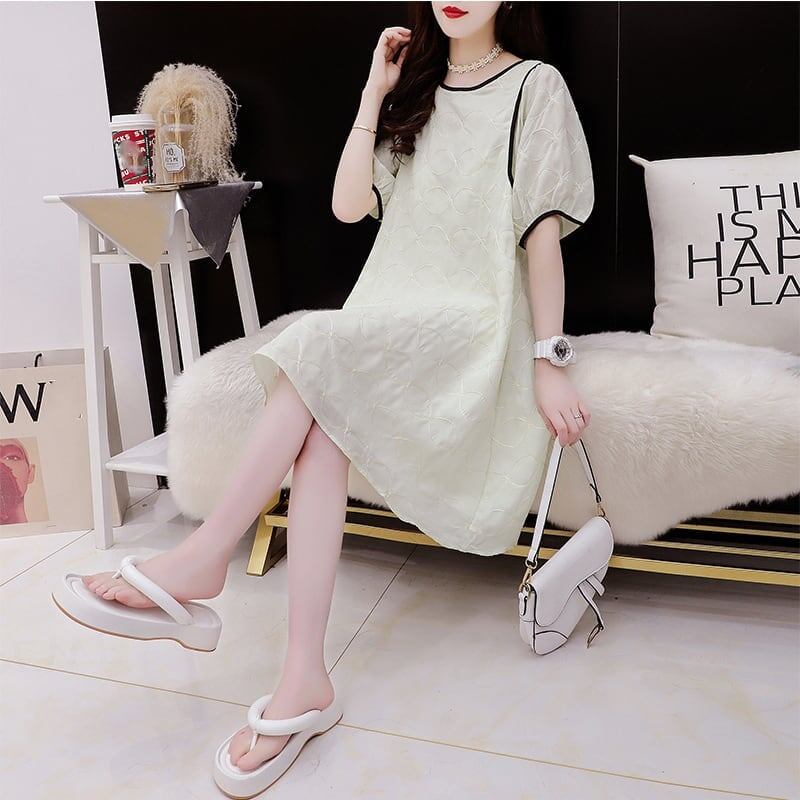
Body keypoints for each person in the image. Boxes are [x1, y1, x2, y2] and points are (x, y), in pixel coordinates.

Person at [76, 0, 594, 779]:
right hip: (390, 312)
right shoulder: (414, 94)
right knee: (321, 425)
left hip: (474, 320)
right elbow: (350, 206)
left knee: (309, 343)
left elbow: (542, 234)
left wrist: (548, 360)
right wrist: (372, 95)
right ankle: (303, 679)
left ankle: (204, 557)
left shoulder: (534, 86)